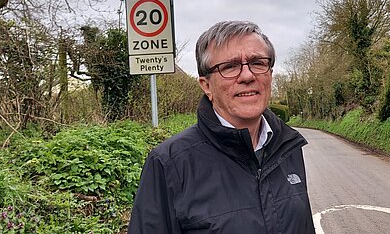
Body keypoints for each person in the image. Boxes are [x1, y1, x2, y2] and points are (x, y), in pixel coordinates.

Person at [128, 20, 315, 234]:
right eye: (229, 66)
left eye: (257, 62)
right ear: (206, 86)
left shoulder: (287, 148)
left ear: (270, 74)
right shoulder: (170, 164)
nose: (247, 76)